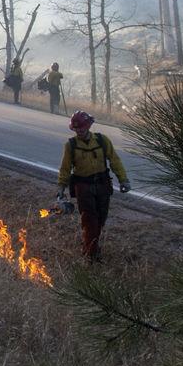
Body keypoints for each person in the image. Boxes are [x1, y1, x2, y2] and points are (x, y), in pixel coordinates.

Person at [56, 111, 130, 262]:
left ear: (88, 126)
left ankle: (89, 244)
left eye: (82, 127)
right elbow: (65, 169)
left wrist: (123, 180)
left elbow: (114, 160)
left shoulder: (102, 141)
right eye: (76, 129)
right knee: (90, 220)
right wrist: (61, 188)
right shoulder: (71, 145)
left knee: (101, 219)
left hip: (102, 185)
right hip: (83, 187)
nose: (79, 131)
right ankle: (91, 254)